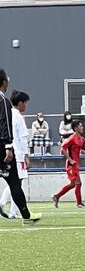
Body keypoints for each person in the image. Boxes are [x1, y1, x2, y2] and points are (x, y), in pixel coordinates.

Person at [0, 70, 40, 225]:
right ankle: (26, 215)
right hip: (4, 149)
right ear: (4, 82)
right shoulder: (4, 101)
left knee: (13, 182)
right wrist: (8, 146)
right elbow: (6, 126)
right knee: (14, 182)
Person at [0, 90, 31, 219]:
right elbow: (23, 138)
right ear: (20, 103)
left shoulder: (7, 112)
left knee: (13, 183)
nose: (26, 106)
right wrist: (26, 155)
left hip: (8, 150)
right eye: (25, 103)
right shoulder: (18, 116)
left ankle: (12, 210)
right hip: (17, 153)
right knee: (16, 184)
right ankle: (7, 207)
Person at [52, 120, 85, 208]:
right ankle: (79, 203)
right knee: (78, 183)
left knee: (73, 184)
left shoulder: (82, 139)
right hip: (71, 164)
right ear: (75, 128)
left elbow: (84, 149)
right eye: (80, 126)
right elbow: (63, 148)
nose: (82, 128)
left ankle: (57, 196)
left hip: (77, 164)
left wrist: (83, 151)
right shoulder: (72, 138)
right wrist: (70, 160)